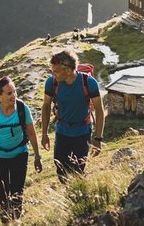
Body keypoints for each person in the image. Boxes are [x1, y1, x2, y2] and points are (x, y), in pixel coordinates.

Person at [0, 76, 42, 223]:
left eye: (14, 92)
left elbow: (32, 133)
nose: (14, 96)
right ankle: (5, 225)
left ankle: (16, 224)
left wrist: (37, 157)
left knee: (17, 193)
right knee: (3, 194)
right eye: (9, 93)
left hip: (19, 154)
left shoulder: (23, 109)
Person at [41, 49, 105, 182]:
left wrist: (98, 139)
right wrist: (44, 134)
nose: (53, 74)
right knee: (60, 170)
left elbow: (99, 109)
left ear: (69, 70)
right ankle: (67, 194)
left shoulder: (88, 82)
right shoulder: (51, 82)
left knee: (78, 170)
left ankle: (78, 197)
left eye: (56, 71)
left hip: (82, 132)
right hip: (62, 132)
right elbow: (46, 106)